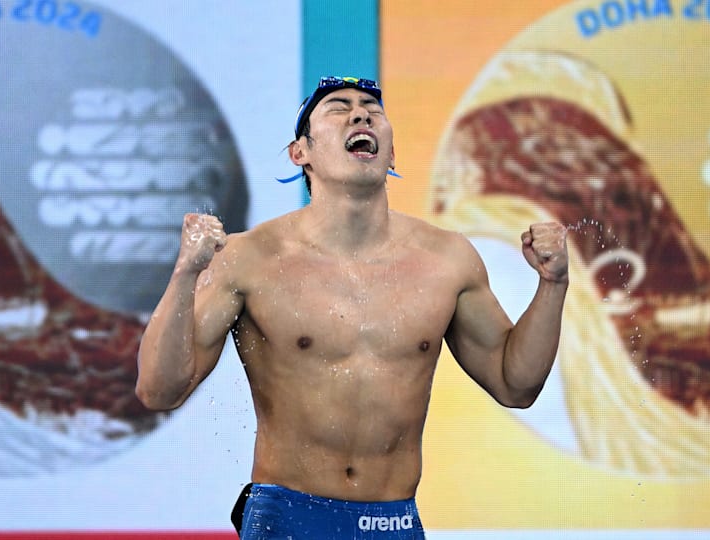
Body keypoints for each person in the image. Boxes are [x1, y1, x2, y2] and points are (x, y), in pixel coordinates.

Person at [135, 76, 569, 539]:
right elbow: (159, 391)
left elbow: (515, 384)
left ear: (391, 153)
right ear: (300, 153)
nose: (361, 114)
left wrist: (553, 284)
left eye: (372, 109)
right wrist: (184, 274)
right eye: (339, 108)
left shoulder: (447, 260)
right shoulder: (251, 259)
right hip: (288, 518)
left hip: (394, 522)